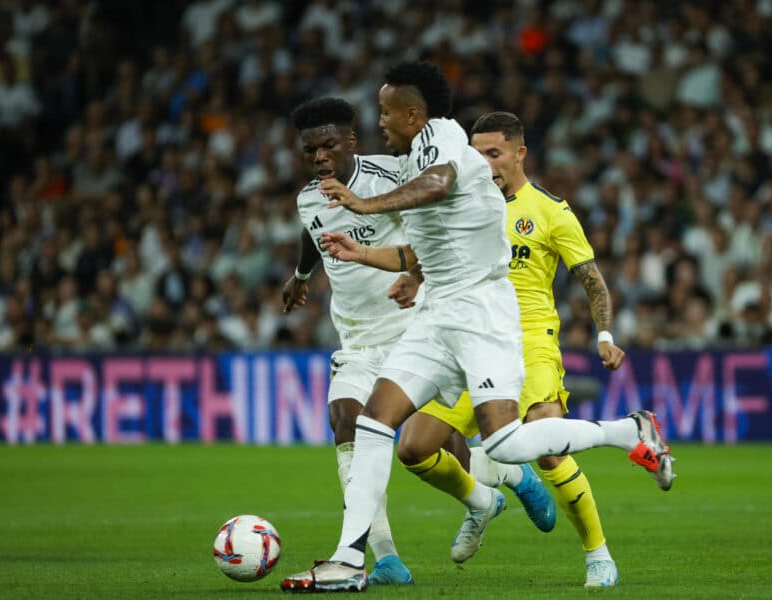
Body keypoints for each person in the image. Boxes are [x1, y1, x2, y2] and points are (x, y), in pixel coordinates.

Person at [279, 61, 675, 593]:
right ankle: (350, 560)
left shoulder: (441, 140)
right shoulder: (410, 157)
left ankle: (629, 431)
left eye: (386, 111)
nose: (381, 121)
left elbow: (440, 185)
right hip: (438, 309)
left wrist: (365, 203)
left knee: (507, 443)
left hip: (482, 314)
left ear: (414, 113)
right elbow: (430, 241)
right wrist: (372, 256)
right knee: (376, 422)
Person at [388, 111, 638, 588]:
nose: (483, 163)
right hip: (469, 337)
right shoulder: (463, 204)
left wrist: (604, 336)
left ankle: (598, 554)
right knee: (415, 450)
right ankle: (484, 500)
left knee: (547, 443)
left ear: (520, 153)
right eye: (476, 154)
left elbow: (593, 281)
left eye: (494, 154)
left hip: (529, 341)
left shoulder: (550, 211)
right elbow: (437, 257)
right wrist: (411, 277)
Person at [279, 96, 419, 586]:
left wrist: (418, 275)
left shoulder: (393, 176)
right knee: (344, 419)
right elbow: (312, 232)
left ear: (351, 143)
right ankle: (386, 559)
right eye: (309, 150)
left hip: (412, 331)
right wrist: (300, 275)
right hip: (357, 340)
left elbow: (431, 229)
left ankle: (495, 488)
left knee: (430, 452)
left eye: (328, 146)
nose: (319, 157)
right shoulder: (308, 198)